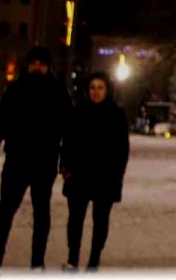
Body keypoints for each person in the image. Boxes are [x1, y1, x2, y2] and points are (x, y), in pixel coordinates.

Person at [0, 46, 74, 270]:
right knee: (6, 208)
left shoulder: (58, 92)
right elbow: (0, 124)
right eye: (34, 62)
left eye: (41, 63)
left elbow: (70, 131)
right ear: (28, 64)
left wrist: (67, 161)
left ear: (48, 66)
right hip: (17, 159)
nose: (37, 66)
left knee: (41, 212)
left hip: (44, 161)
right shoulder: (14, 90)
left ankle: (37, 261)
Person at [60, 72, 130, 271]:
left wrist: (117, 174)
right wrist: (65, 167)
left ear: (107, 90)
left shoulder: (116, 114)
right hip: (78, 174)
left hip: (105, 176)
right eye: (92, 88)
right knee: (75, 219)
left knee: (100, 220)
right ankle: (73, 258)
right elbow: (68, 142)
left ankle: (94, 260)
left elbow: (122, 148)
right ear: (86, 90)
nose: (96, 92)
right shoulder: (78, 112)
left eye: (100, 87)